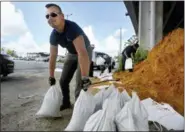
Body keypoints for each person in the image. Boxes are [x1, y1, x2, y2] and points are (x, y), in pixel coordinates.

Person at [45, 3, 92, 111]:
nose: (50, 18)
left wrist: (85, 78)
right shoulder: (53, 36)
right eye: (47, 16)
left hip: (85, 50)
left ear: (62, 16)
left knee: (80, 82)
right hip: (71, 53)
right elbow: (53, 56)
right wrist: (51, 76)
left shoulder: (72, 28)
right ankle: (66, 102)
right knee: (63, 81)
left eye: (53, 14)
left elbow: (82, 53)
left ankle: (79, 109)